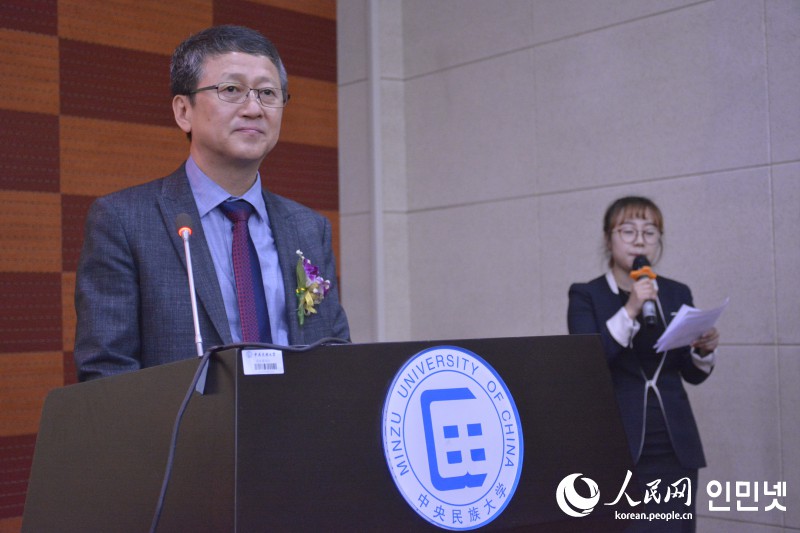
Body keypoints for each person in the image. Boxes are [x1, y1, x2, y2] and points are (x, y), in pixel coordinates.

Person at [74, 25, 349, 381]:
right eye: (231, 90)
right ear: (183, 111)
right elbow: (107, 373)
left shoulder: (308, 227)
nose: (254, 108)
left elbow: (335, 351)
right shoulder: (124, 222)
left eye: (268, 92)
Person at [567, 196, 719, 532]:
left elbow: (690, 372)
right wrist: (632, 308)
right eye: (628, 231)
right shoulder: (586, 295)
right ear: (608, 238)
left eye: (649, 232)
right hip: (617, 445)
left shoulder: (676, 292)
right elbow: (588, 363)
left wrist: (703, 350)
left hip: (674, 446)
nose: (639, 240)